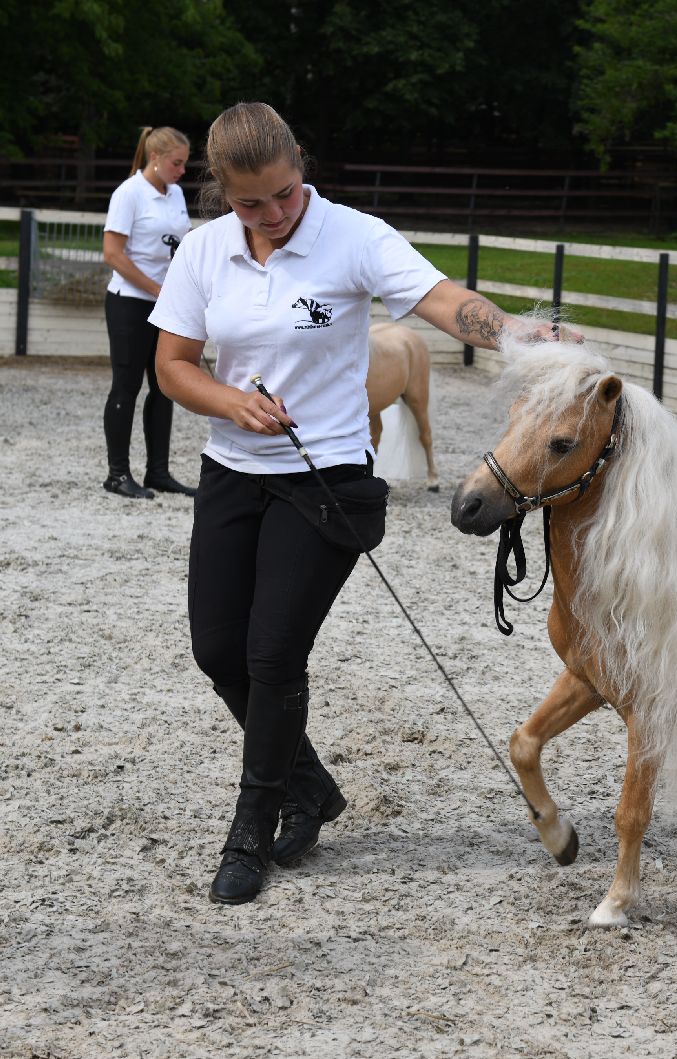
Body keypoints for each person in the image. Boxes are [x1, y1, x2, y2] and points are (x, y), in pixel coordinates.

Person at [150, 102, 563, 905]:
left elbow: (443, 301)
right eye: (250, 203)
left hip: (327, 478)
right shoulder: (201, 251)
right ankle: (311, 786)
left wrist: (519, 333)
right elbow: (173, 366)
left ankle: (253, 825)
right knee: (216, 652)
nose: (272, 214)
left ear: (300, 161)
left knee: (271, 656)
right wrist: (230, 402)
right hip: (233, 469)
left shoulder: (354, 235)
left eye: (283, 193)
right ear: (221, 194)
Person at [100, 125, 196, 499]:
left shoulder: (175, 194)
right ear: (154, 158)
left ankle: (158, 471)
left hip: (165, 305)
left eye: (185, 164)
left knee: (165, 386)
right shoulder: (129, 193)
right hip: (129, 301)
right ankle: (117, 473)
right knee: (127, 385)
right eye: (177, 163)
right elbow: (113, 254)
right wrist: (157, 288)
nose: (182, 170)